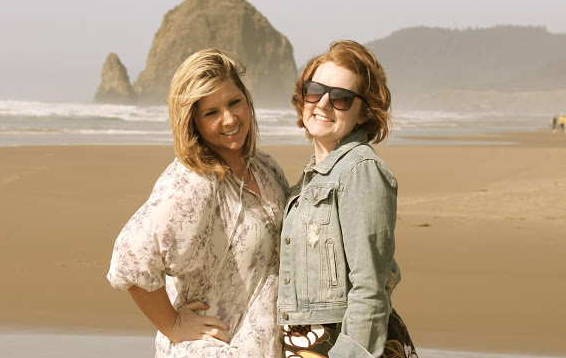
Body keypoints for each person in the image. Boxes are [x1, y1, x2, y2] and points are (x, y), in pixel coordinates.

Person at [107, 49, 289, 357]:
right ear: (192, 122)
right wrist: (173, 324)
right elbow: (131, 257)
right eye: (211, 113)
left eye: (234, 102)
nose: (229, 119)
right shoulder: (195, 182)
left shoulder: (264, 166)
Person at [277, 40, 416, 358]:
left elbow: (370, 288)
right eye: (314, 91)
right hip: (307, 342)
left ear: (364, 112)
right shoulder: (313, 177)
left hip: (340, 344)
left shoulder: (360, 171)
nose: (323, 104)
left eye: (341, 98)